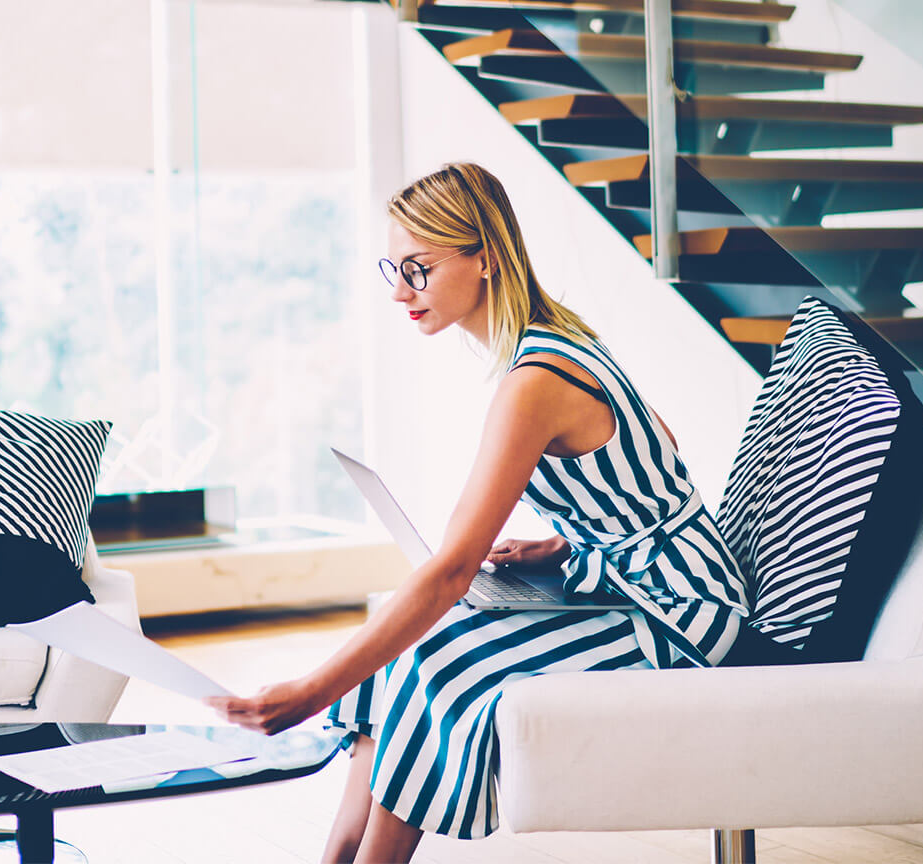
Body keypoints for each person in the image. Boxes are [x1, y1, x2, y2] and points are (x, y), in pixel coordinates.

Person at [207, 162, 750, 863]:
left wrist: (309, 694)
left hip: (686, 615)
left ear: (486, 258)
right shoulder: (559, 337)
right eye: (393, 268)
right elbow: (659, 441)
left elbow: (452, 572)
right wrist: (569, 542)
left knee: (442, 652)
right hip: (651, 581)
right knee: (408, 645)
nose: (401, 290)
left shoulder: (535, 379)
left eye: (419, 268)